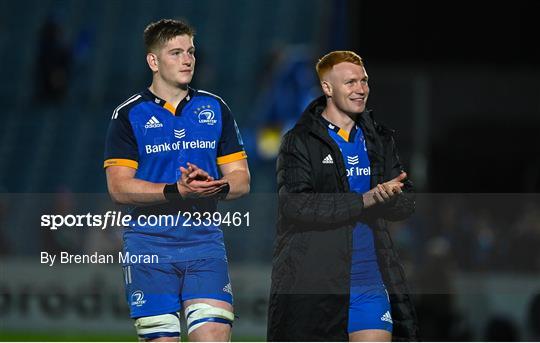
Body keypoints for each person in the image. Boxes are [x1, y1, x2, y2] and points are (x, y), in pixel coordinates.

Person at [104, 19, 250, 341]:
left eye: (191, 52)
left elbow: (241, 180)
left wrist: (216, 186)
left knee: (212, 334)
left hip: (204, 244)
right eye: (176, 52)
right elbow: (119, 188)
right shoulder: (128, 115)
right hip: (148, 247)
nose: (187, 60)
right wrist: (177, 191)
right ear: (153, 61)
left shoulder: (215, 107)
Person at [267, 51, 418, 341]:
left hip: (369, 282)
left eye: (364, 81)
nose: (360, 89)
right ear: (327, 88)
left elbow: (405, 200)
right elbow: (296, 205)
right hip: (315, 286)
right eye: (350, 82)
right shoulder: (299, 141)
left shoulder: (378, 139)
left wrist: (393, 198)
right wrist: (364, 200)